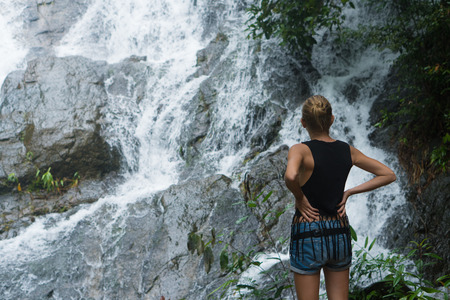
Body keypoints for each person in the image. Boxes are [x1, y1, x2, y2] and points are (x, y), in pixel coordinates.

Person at [284, 95, 396, 300]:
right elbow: (389, 174)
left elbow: (290, 175)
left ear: (303, 122)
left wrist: (299, 198)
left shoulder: (300, 150)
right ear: (332, 120)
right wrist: (350, 192)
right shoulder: (348, 150)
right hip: (339, 229)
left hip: (308, 229)